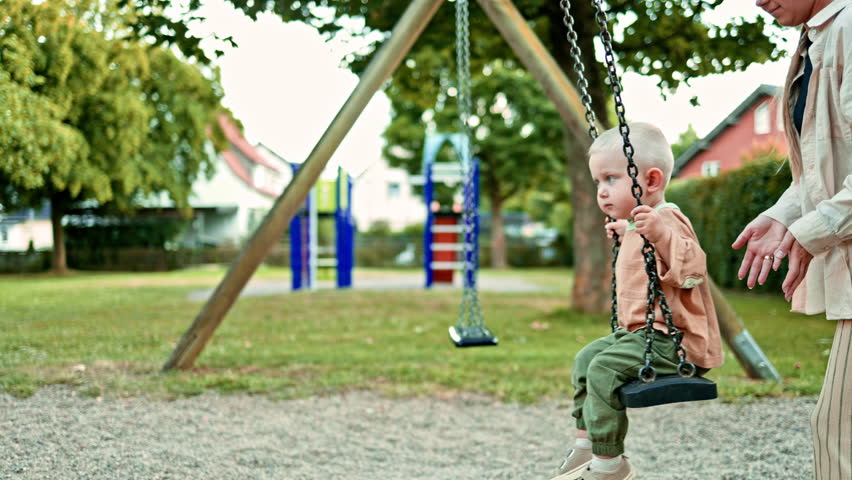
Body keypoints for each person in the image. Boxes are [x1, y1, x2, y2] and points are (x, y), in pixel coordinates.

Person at [552, 123, 723, 480]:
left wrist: (660, 235)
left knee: (604, 369)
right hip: (643, 336)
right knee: (586, 359)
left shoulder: (667, 219)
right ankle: (586, 446)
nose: (601, 191)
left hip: (673, 343)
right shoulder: (639, 223)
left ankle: (610, 465)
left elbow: (692, 269)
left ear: (652, 181)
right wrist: (627, 230)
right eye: (598, 181)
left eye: (610, 179)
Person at [732, 1, 852, 478]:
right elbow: (825, 161)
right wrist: (783, 216)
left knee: (838, 432)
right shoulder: (817, 36)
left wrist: (810, 234)